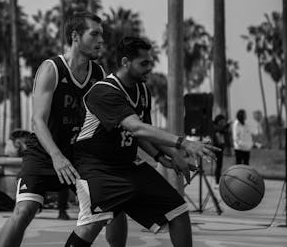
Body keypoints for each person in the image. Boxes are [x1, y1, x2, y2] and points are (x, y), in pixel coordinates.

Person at [66, 37, 218, 247]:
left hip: (127, 165)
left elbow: (144, 134)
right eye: (143, 63)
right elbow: (137, 127)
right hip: (96, 167)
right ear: (126, 62)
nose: (149, 68)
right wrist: (184, 143)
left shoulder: (142, 91)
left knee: (178, 210)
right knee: (92, 223)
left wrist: (170, 157)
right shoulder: (104, 91)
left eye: (150, 62)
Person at [0, 12, 128, 247]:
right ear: (76, 36)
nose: (101, 41)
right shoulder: (52, 68)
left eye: (102, 35)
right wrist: (56, 156)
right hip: (46, 151)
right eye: (94, 34)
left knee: (114, 206)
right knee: (25, 209)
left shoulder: (98, 74)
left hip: (80, 155)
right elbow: (38, 120)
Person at [212, 114, 228, 185]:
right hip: (215, 148)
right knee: (218, 166)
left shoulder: (222, 128)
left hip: (220, 148)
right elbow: (219, 132)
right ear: (218, 122)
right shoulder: (215, 128)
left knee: (219, 166)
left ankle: (217, 180)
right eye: (222, 121)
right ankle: (217, 182)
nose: (224, 123)